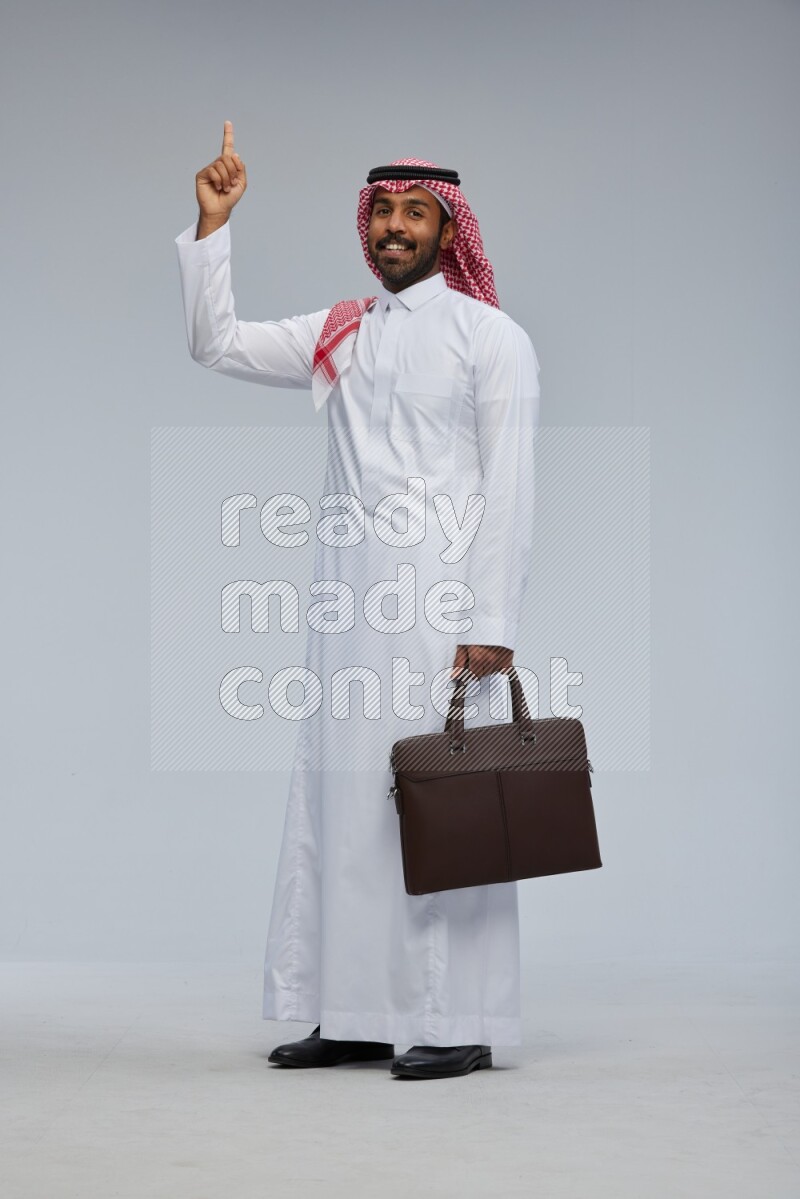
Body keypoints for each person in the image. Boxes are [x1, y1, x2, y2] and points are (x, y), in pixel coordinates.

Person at [174, 121, 541, 1080]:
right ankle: (351, 1009)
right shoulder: (341, 332)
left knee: (442, 803)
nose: (393, 226)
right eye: (381, 210)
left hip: (443, 615)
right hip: (344, 615)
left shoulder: (489, 337)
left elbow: (511, 486)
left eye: (415, 212)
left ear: (448, 230)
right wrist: (213, 229)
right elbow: (215, 342)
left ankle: (454, 1017)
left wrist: (491, 624)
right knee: (344, 807)